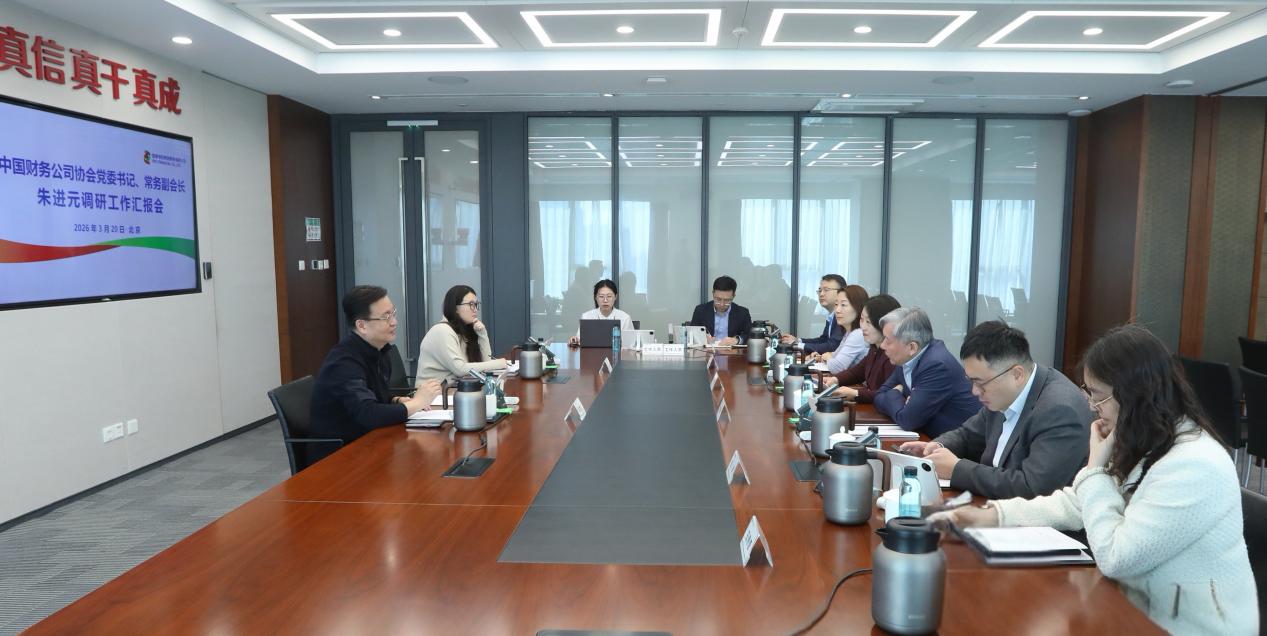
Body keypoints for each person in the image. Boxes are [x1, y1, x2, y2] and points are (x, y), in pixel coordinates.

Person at [931, 325, 1257, 635]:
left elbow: (1116, 557)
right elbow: (1077, 502)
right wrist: (991, 516)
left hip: (1183, 626)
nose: (1090, 406)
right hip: (1135, 608)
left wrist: (1094, 469)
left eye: (1098, 395)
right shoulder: (1145, 439)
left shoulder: (1194, 464)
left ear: (1134, 395)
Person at [898, 321, 1092, 499]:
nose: (975, 391)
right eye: (971, 381)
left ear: (1017, 374)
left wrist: (956, 469)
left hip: (1033, 522)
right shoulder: (1002, 393)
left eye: (980, 383)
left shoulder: (1060, 410)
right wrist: (937, 447)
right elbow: (967, 435)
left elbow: (1033, 488)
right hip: (991, 505)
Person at [309, 286, 443, 459]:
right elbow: (368, 413)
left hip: (368, 443)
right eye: (386, 317)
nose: (394, 322)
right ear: (362, 325)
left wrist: (396, 400)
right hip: (338, 455)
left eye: (393, 313)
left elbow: (372, 395)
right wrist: (417, 403)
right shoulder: (343, 362)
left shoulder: (379, 351)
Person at [873, 307, 978, 438]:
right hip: (929, 438)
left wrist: (893, 393)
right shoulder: (906, 358)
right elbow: (879, 395)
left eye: (888, 340)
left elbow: (907, 420)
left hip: (960, 444)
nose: (882, 345)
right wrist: (902, 401)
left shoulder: (937, 365)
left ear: (912, 347)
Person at [416, 285, 508, 382]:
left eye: (476, 304)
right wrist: (498, 363)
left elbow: (486, 361)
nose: (475, 309)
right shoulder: (442, 331)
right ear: (455, 308)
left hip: (456, 388)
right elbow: (460, 369)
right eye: (471, 304)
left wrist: (482, 334)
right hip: (435, 391)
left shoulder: (464, 330)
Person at [824, 294, 900, 404]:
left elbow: (888, 394)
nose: (863, 327)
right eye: (862, 320)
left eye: (868, 322)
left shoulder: (894, 355)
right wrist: (836, 379)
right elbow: (857, 372)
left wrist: (856, 394)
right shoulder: (874, 348)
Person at [781, 274, 847, 354]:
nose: (821, 294)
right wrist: (798, 341)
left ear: (841, 292)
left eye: (826, 290)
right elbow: (824, 339)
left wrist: (798, 345)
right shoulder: (832, 316)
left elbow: (832, 346)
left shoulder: (842, 316)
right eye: (820, 290)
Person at [811, 285, 869, 374]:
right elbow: (835, 355)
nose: (837, 310)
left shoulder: (858, 334)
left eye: (843, 305)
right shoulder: (849, 332)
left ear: (858, 308)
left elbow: (836, 367)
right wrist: (821, 356)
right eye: (836, 304)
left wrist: (828, 357)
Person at [687, 275, 752, 346]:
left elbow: (749, 335)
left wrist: (737, 340)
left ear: (733, 296)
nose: (722, 304)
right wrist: (702, 338)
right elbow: (692, 333)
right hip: (707, 351)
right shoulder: (700, 310)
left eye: (727, 300)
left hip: (732, 352)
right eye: (718, 299)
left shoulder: (742, 313)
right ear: (713, 293)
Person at [568, 279, 635, 347]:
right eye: (601, 296)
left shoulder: (625, 318)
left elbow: (631, 345)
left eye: (609, 296)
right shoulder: (586, 316)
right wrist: (575, 340)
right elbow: (579, 340)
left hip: (616, 353)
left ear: (615, 297)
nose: (605, 300)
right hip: (592, 353)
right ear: (595, 297)